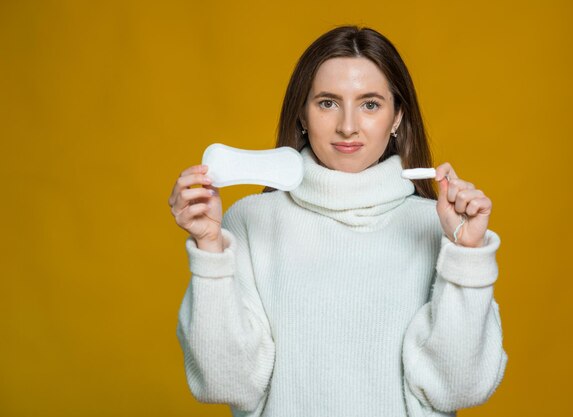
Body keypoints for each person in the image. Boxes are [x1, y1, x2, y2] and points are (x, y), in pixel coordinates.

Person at [168, 25, 507, 417]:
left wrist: (467, 254)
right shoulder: (249, 222)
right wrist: (210, 248)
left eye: (370, 104)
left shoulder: (438, 229)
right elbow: (223, 383)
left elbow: (458, 389)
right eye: (328, 103)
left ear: (397, 116)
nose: (348, 126)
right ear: (302, 113)